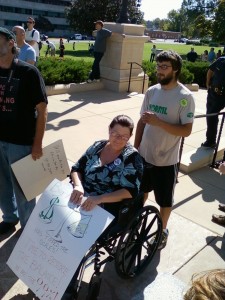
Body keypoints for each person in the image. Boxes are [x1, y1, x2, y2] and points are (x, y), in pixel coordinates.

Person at [134, 50, 195, 250]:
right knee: (140, 192)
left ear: (175, 69)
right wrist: (135, 148)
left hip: (166, 161)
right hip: (144, 155)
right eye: (158, 66)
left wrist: (159, 123)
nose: (159, 71)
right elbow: (142, 122)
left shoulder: (184, 97)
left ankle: (162, 230)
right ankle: (136, 221)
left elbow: (186, 130)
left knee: (165, 200)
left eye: (164, 67)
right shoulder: (152, 91)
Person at [0, 27, 48, 236]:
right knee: (2, 185)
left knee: (24, 189)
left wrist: (37, 143)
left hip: (21, 143)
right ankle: (10, 219)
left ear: (11, 43)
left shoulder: (28, 73)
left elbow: (42, 110)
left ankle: (29, 227)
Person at [69, 115, 143, 216]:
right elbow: (77, 168)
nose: (118, 139)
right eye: (115, 133)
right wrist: (78, 185)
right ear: (109, 129)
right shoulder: (97, 146)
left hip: (107, 206)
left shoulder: (132, 157)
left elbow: (130, 191)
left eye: (124, 136)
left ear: (130, 136)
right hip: (80, 196)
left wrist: (100, 199)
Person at [201, 56, 225, 148]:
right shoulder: (221, 60)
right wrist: (208, 83)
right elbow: (210, 70)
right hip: (215, 94)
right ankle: (211, 141)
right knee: (211, 117)